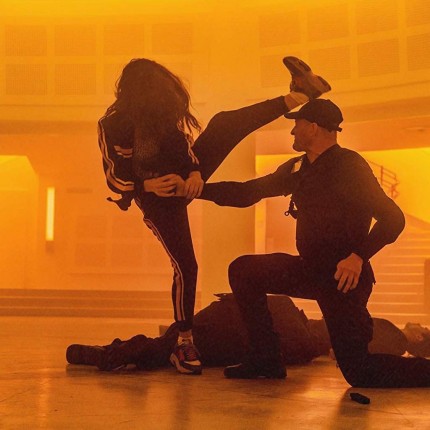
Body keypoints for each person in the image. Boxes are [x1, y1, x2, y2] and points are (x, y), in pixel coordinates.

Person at [97, 57, 331, 375]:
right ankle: (184, 342)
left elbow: (185, 151)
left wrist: (195, 174)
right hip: (154, 199)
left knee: (223, 124)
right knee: (186, 266)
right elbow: (114, 176)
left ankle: (299, 95)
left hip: (183, 179)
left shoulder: (160, 117)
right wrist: (146, 185)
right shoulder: (112, 124)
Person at [194, 97, 430, 387]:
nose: (293, 131)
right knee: (244, 270)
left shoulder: (350, 166)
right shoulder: (298, 168)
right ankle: (266, 358)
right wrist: (196, 190)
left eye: (298, 124)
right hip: (309, 270)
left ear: (314, 127)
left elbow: (393, 219)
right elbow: (248, 192)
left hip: (342, 279)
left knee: (360, 372)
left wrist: (358, 257)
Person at [66, 293, 430, 371]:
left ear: (418, 339)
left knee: (190, 336)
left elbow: (348, 348)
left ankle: (116, 351)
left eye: (424, 329)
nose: (418, 324)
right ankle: (114, 352)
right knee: (192, 341)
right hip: (294, 332)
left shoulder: (393, 337)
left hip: (293, 329)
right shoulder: (391, 336)